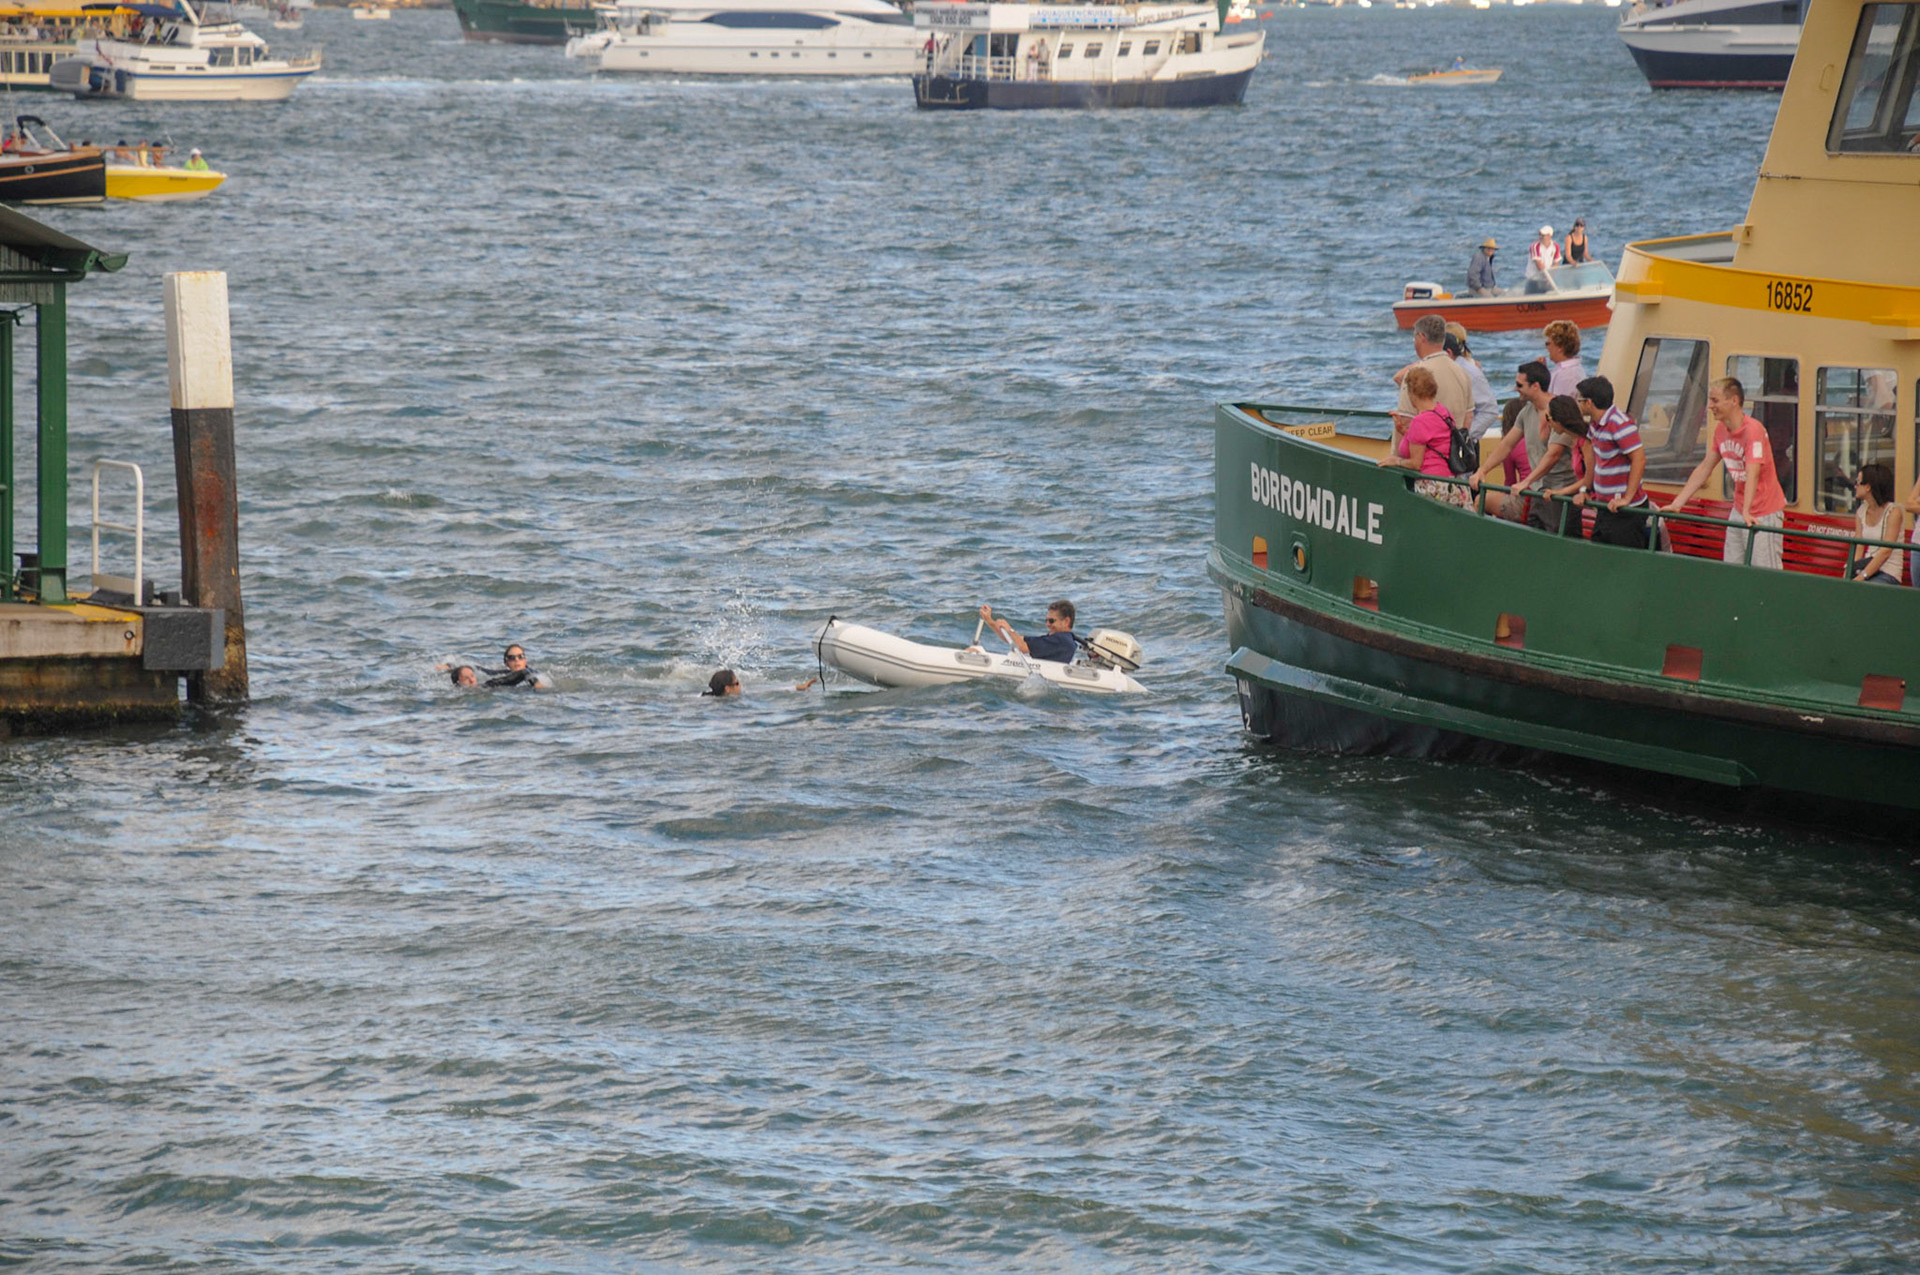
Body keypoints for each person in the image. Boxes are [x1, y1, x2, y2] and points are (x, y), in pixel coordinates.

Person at [1661, 377, 1789, 570]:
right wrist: (1678, 503)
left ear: (1734, 401)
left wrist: (1747, 511)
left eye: (1715, 401)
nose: (1710, 406)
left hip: (1763, 512)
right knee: (1732, 570)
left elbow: (1752, 472)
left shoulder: (1753, 430)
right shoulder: (1721, 430)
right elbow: (1705, 468)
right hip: (1739, 509)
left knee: (1766, 574)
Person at [1570, 376, 1653, 549]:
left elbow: (1639, 458)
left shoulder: (1620, 423)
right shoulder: (1595, 425)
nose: (1577, 404)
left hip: (1625, 512)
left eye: (1579, 400)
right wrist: (1586, 489)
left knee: (1624, 560)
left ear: (1589, 403)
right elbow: (1594, 461)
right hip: (1605, 507)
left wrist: (1627, 498)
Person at [1378, 365, 1471, 508]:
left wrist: (1396, 461)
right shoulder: (1443, 411)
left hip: (1434, 486)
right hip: (1455, 483)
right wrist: (1404, 432)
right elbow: (1433, 441)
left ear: (1412, 393)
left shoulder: (1419, 421)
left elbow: (1416, 463)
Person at [1470, 360, 1552, 517]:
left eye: (1520, 385)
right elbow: (1507, 444)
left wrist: (1527, 481)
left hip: (1549, 492)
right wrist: (1483, 470)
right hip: (1534, 493)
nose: (1515, 389)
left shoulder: (1557, 410)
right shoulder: (1527, 412)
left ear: (1535, 386)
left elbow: (1554, 454)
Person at [1520, 396, 1591, 537]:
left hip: (1578, 495)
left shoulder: (1586, 442)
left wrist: (1562, 491)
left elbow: (1590, 476)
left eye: (1548, 418)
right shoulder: (1576, 441)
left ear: (1558, 420)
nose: (1549, 424)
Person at [1392, 313, 1473, 432]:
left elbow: (1407, 421)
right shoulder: (1463, 372)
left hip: (1425, 448)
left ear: (1421, 337)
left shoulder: (1414, 375)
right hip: (1454, 446)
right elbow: (1468, 416)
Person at [1851, 464, 1907, 584]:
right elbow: (1858, 546)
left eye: (1858, 482)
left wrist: (1863, 576)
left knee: (1864, 591)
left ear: (1868, 487)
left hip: (1888, 572)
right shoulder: (1861, 511)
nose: (1855, 486)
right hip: (1867, 566)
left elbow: (1886, 551)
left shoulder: (1893, 512)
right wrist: (1852, 570)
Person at [1444, 322, 1499, 440]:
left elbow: (1489, 410)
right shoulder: (1454, 370)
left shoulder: (1470, 372)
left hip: (1462, 445)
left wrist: (1463, 438)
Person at [978, 600, 1077, 662]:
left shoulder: (1062, 640)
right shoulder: (1055, 639)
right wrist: (990, 621)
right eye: (1046, 620)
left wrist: (1009, 629)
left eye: (1051, 621)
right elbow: (1017, 641)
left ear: (1066, 621)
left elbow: (1022, 647)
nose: (1047, 624)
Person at [1542, 320, 1585, 398]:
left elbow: (1559, 407)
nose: (1547, 347)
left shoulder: (1568, 374)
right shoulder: (1566, 369)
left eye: (1548, 343)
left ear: (1560, 347)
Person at [482, 643, 549, 689]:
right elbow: (486, 671)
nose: (517, 660)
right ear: (506, 663)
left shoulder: (533, 672)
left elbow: (525, 672)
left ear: (525, 660)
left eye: (520, 656)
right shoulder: (504, 674)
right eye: (512, 658)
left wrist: (536, 683)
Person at [1525, 225, 1561, 292]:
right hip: (1533, 279)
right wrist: (1548, 277)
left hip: (1547, 279)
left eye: (1543, 235)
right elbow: (1539, 265)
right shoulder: (1535, 246)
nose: (1540, 237)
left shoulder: (1555, 246)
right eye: (1540, 235)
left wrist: (1551, 278)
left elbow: (1556, 264)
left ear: (1549, 236)